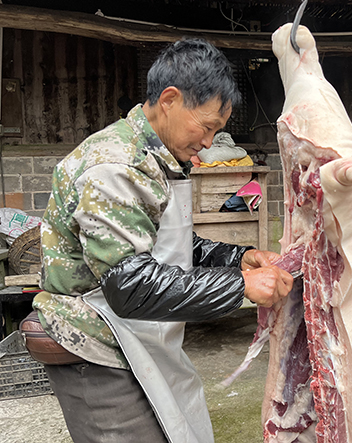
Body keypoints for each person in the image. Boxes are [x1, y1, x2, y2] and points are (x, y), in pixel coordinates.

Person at [32, 38, 293, 442]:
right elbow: (129, 285)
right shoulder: (116, 166)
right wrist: (241, 287)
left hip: (133, 332)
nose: (208, 143)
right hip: (96, 341)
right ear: (169, 99)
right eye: (206, 127)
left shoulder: (157, 158)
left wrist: (239, 259)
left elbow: (170, 244)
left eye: (216, 132)